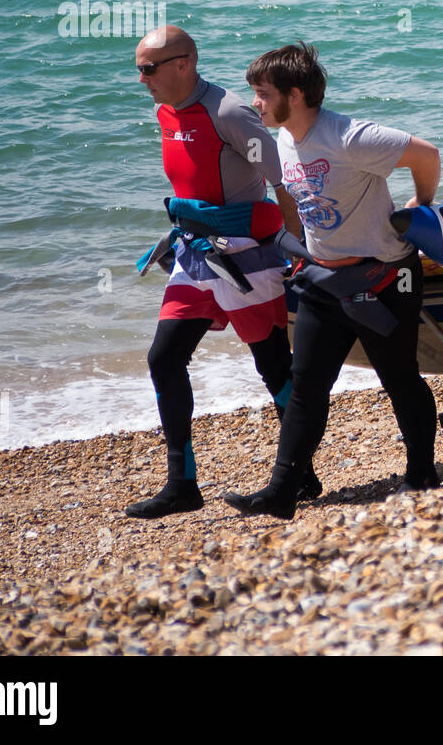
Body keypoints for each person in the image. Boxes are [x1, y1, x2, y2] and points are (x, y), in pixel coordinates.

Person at [224, 43, 442, 519]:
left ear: (295, 95)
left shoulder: (351, 137)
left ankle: (422, 474)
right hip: (324, 279)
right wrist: (296, 247)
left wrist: (419, 206)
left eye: (262, 94)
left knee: (399, 378)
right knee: (306, 384)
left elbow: (426, 154)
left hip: (385, 278)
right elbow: (298, 201)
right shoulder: (284, 139)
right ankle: (282, 492)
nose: (256, 104)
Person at [127, 26, 316, 518]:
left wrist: (297, 254)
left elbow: (283, 183)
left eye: (148, 68)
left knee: (273, 365)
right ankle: (182, 485)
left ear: (183, 63)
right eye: (138, 68)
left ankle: (300, 474)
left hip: (246, 258)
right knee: (164, 358)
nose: (141, 78)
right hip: (194, 255)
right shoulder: (164, 110)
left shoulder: (229, 114)